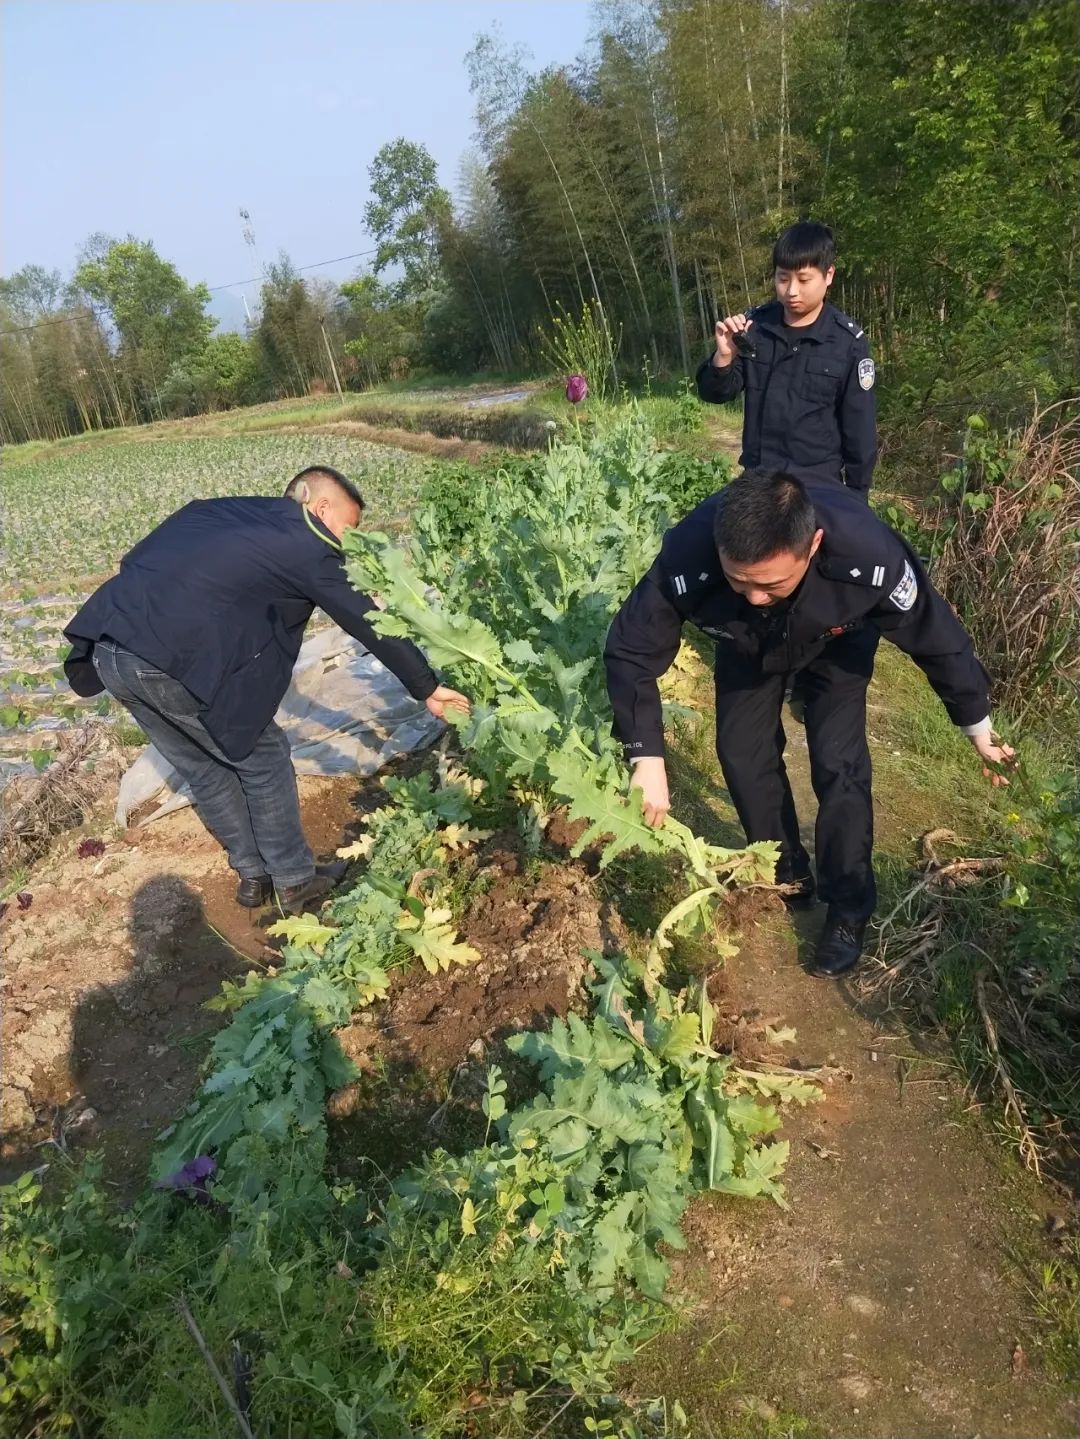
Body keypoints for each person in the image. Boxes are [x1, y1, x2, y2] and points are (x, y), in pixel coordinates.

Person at [604, 469, 1013, 977]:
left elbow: (934, 633)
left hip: (838, 643)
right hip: (745, 645)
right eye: (739, 580)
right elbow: (631, 649)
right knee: (740, 751)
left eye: (770, 582)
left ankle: (848, 905)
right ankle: (787, 871)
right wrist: (646, 757)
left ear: (813, 544)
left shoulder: (868, 554)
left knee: (838, 765)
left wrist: (976, 724)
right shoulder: (689, 553)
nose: (755, 594)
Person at [64, 466, 469, 914]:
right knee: (264, 756)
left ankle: (253, 875)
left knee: (203, 767)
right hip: (168, 663)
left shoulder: (214, 512)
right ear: (320, 507)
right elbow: (367, 623)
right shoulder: (306, 543)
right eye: (348, 530)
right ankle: (295, 883)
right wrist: (426, 687)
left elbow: (137, 562)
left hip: (110, 649)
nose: (347, 545)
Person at [697, 221, 877, 496]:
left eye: (803, 280)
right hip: (758, 484)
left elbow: (860, 435)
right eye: (783, 278)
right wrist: (724, 356)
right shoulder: (755, 327)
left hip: (818, 490)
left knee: (875, 541)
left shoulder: (847, 343)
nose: (791, 291)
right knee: (682, 539)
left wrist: (856, 502)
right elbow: (715, 394)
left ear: (829, 275)